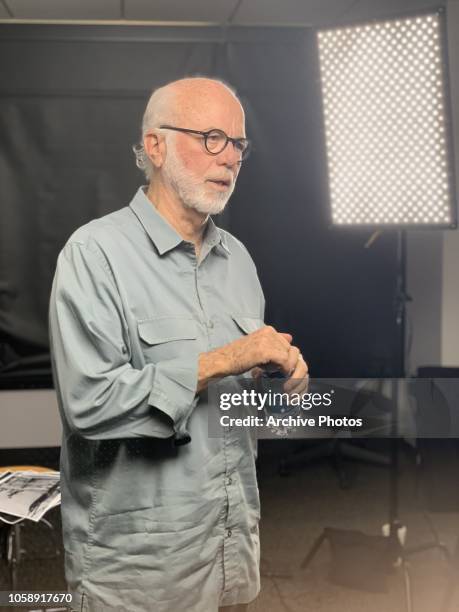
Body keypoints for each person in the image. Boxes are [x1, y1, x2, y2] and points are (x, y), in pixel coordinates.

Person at [49, 77, 308, 612]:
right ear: (155, 146)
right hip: (139, 568)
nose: (230, 158)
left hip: (229, 547)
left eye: (238, 144)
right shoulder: (93, 254)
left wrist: (275, 381)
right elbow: (89, 404)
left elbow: (237, 408)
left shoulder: (238, 259)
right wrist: (226, 358)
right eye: (212, 137)